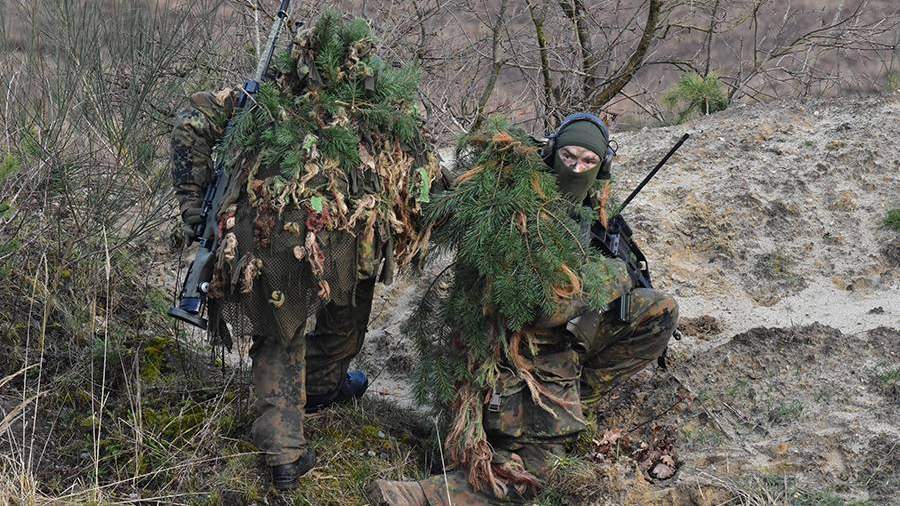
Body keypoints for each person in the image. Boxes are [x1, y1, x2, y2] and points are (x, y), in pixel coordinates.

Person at [171, 14, 437, 491]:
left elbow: (191, 121)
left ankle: (287, 444)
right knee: (341, 320)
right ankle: (306, 409)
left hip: (273, 235)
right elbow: (424, 175)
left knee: (281, 335)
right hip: (346, 240)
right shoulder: (380, 111)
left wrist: (195, 206)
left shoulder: (262, 99)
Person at [368, 114, 678, 505]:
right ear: (552, 153)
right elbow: (543, 307)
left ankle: (574, 398)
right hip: (504, 346)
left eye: (588, 162)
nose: (576, 170)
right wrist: (612, 276)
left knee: (658, 310)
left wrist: (615, 274)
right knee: (535, 472)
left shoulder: (593, 211)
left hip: (558, 344)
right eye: (569, 157)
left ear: (602, 166)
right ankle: (421, 497)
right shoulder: (518, 206)